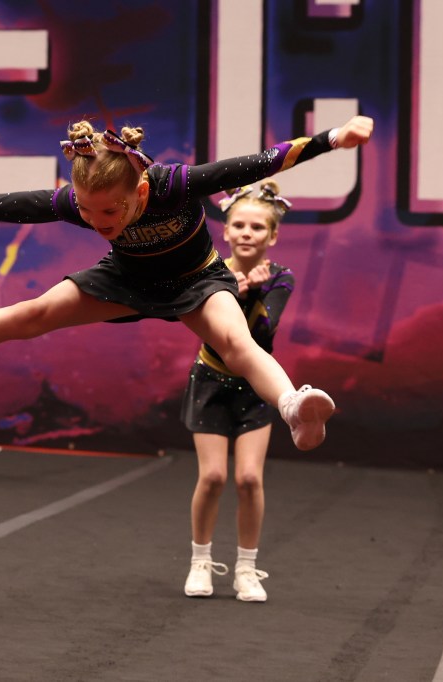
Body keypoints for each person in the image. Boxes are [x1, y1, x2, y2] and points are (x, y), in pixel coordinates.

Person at [0, 115, 375, 452]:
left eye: (110, 212)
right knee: (32, 313)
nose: (97, 222)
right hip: (126, 278)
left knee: (236, 342)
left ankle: (292, 407)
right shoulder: (79, 203)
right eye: (87, 211)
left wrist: (332, 138)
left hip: (195, 280)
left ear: (140, 192)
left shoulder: (174, 184)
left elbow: (256, 163)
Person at [181, 180, 293, 602]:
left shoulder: (280, 277)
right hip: (211, 380)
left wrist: (255, 293)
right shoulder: (210, 273)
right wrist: (236, 290)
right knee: (212, 477)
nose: (247, 233)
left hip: (255, 386)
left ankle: (246, 569)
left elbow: (261, 337)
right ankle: (200, 561)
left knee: (248, 478)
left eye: (257, 227)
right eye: (239, 226)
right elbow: (212, 334)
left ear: (272, 236)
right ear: (225, 231)